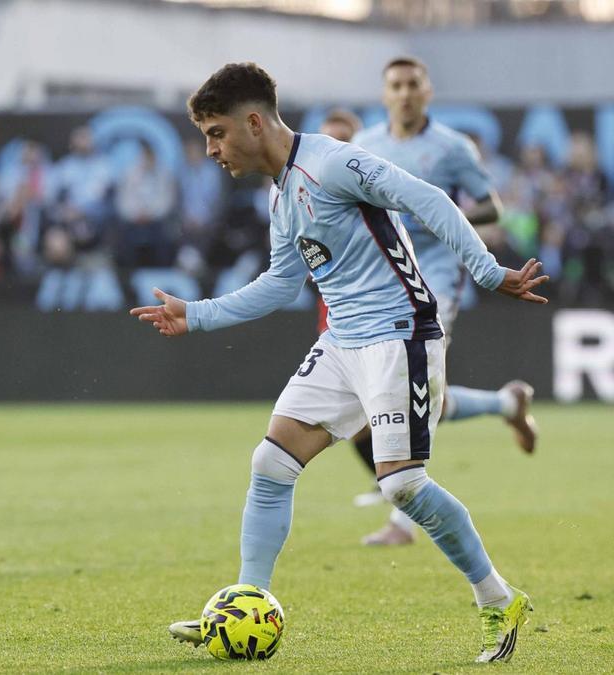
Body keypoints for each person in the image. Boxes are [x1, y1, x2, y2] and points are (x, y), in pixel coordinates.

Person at [132, 62, 544, 662]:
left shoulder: (332, 162)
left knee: (402, 484)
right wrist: (196, 314)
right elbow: (280, 284)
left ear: (253, 121)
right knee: (271, 462)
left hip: (398, 334)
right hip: (343, 341)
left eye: (216, 133)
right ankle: (245, 603)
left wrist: (487, 271)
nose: (210, 149)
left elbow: (425, 197)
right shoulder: (281, 192)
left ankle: (497, 598)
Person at [350, 58, 536, 546]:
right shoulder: (365, 146)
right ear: (385, 94)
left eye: (414, 85)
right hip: (380, 279)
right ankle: (507, 402)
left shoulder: (453, 148)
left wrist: (442, 216)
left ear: (427, 91)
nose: (406, 93)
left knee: (413, 389)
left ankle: (402, 523)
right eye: (396, 86)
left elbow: (491, 204)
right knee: (425, 396)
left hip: (434, 278)